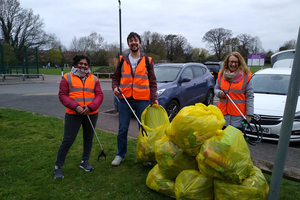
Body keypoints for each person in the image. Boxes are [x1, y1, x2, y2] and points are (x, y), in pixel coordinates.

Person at [111, 32, 158, 166]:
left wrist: (154, 97)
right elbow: (115, 78)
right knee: (122, 129)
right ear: (128, 44)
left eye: (135, 40)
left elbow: (153, 82)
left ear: (140, 43)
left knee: (143, 129)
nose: (133, 42)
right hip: (124, 99)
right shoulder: (122, 60)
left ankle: (144, 156)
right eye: (131, 41)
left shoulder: (148, 61)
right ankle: (120, 155)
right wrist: (115, 88)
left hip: (142, 100)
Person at [54, 55, 104, 179]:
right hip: (73, 114)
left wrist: (90, 107)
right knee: (67, 141)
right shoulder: (67, 77)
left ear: (88, 66)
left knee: (88, 139)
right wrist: (76, 107)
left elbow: (99, 95)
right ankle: (57, 167)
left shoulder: (94, 79)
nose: (83, 66)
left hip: (91, 113)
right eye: (80, 63)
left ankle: (84, 162)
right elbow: (63, 95)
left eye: (85, 64)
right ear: (76, 64)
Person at [214, 51, 254, 130]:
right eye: (231, 62)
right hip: (223, 114)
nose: (233, 64)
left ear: (239, 63)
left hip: (238, 116)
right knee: (223, 140)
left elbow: (250, 96)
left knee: (235, 140)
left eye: (236, 62)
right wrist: (219, 93)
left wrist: (249, 114)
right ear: (227, 62)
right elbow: (216, 88)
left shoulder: (246, 76)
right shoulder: (221, 75)